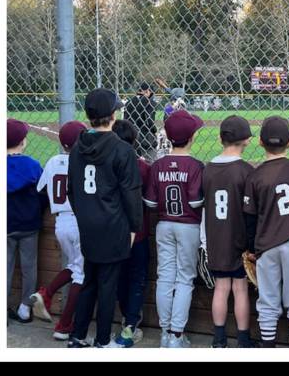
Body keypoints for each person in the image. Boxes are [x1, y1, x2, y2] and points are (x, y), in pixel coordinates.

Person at [66, 89, 144, 348]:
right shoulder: (122, 149)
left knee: (89, 279)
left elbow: (72, 190)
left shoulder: (78, 147)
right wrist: (134, 226)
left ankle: (77, 335)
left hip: (88, 223)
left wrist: (84, 215)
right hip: (113, 224)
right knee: (107, 284)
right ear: (112, 115)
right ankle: (101, 341)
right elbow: (131, 194)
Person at [243, 116, 289, 346]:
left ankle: (268, 346)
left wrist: (250, 248)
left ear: (260, 142)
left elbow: (250, 218)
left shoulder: (256, 175)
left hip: (266, 245)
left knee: (268, 300)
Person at [143, 108, 206, 347]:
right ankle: (177, 335)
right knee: (184, 279)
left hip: (164, 224)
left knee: (164, 277)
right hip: (188, 225)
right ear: (191, 138)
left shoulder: (158, 165)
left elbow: (149, 202)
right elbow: (195, 201)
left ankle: (164, 333)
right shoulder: (195, 165)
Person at [201, 115, 257, 348]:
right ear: (247, 140)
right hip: (239, 238)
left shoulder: (208, 169)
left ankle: (219, 339)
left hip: (216, 238)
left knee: (221, 288)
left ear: (220, 138)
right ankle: (243, 340)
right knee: (241, 288)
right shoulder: (246, 170)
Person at [32, 120, 88, 339]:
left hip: (60, 223)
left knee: (75, 266)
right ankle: (64, 326)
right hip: (79, 222)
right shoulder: (83, 161)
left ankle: (46, 293)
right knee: (81, 275)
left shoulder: (53, 160)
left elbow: (41, 189)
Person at [110, 120, 151, 346]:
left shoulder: (105, 164)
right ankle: (130, 323)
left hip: (113, 232)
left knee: (120, 277)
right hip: (139, 232)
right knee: (137, 278)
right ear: (134, 141)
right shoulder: (142, 167)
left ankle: (127, 318)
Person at [7, 119, 47, 326]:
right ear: (23, 141)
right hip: (29, 224)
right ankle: (24, 309)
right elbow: (43, 195)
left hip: (5, 225)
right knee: (29, 266)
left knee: (4, 267)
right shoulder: (32, 165)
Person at [123, 83, 158, 162]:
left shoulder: (129, 102)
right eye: (150, 93)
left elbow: (125, 120)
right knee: (149, 162)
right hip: (145, 138)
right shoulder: (149, 103)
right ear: (147, 91)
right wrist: (154, 130)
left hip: (131, 137)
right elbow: (150, 121)